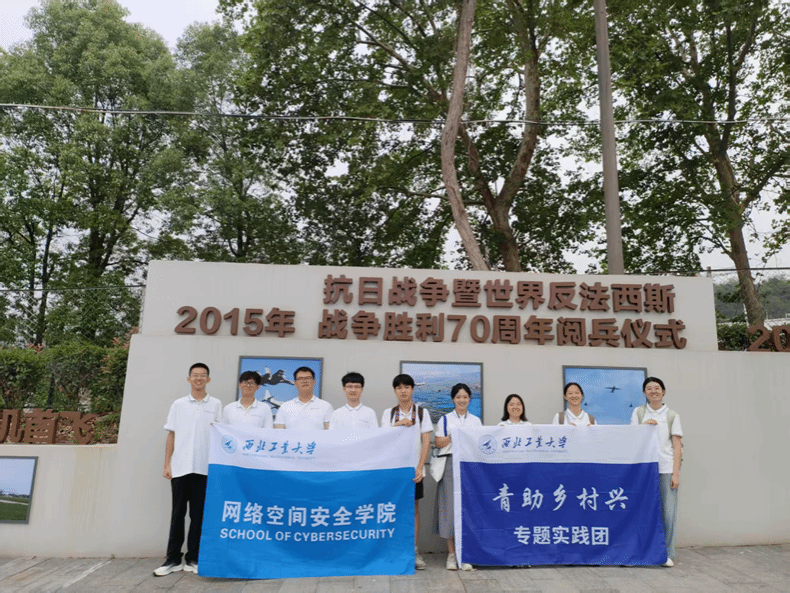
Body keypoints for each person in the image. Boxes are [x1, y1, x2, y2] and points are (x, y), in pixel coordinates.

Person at [154, 362, 222, 577]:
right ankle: (172, 559)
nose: (199, 378)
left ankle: (193, 558)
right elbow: (171, 434)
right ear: (189, 379)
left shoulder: (216, 404)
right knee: (177, 514)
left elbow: (220, 436)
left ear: (208, 379)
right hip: (180, 468)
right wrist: (167, 464)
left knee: (198, 515)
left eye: (203, 375)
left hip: (204, 468)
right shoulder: (179, 404)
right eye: (195, 375)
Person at [381, 373, 433, 570]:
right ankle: (393, 550)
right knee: (392, 509)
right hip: (394, 470)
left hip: (413, 470)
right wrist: (398, 424)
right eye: (399, 387)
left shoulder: (422, 413)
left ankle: (413, 551)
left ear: (412, 389)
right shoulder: (388, 413)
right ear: (395, 391)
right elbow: (383, 438)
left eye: (406, 387)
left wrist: (420, 467)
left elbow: (426, 442)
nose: (403, 391)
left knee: (414, 509)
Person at [630, 376, 683, 567]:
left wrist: (675, 473)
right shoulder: (639, 412)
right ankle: (642, 550)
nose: (654, 391)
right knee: (644, 512)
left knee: (668, 513)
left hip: (666, 469)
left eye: (657, 388)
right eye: (649, 388)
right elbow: (631, 437)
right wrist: (643, 427)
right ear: (644, 393)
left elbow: (677, 446)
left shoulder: (672, 415)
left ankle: (666, 553)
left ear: (663, 391)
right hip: (644, 470)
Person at [434, 383, 482, 571]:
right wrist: (454, 435)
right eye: (458, 397)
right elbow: (438, 442)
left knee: (469, 509)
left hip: (470, 467)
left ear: (470, 399)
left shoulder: (476, 421)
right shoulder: (445, 419)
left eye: (465, 397)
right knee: (449, 509)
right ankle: (451, 554)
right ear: (453, 399)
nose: (462, 400)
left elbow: (479, 444)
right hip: (449, 465)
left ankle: (467, 554)